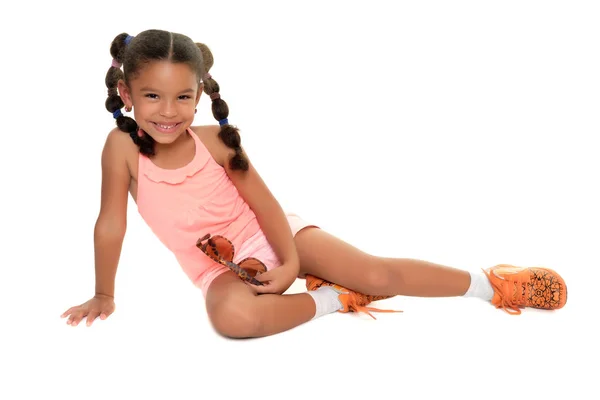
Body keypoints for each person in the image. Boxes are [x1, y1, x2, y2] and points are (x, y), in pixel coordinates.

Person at [60, 29, 568, 338]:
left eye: (181, 98)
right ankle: (334, 300)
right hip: (219, 269)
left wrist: (292, 264)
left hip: (277, 235)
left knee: (375, 271)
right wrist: (104, 293)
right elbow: (110, 225)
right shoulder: (121, 149)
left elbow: (265, 203)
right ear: (126, 93)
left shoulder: (215, 142)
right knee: (234, 321)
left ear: (199, 95)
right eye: (152, 96)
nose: (167, 113)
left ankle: (492, 284)